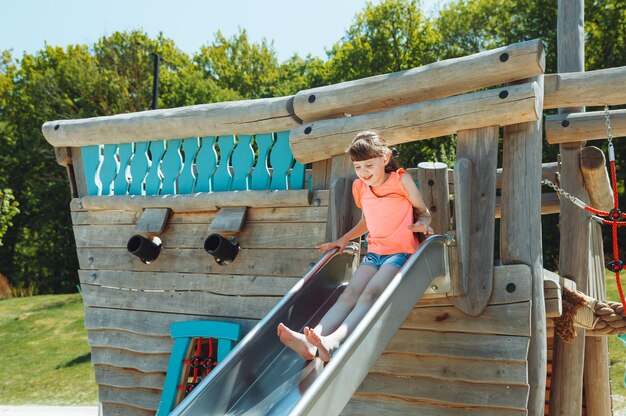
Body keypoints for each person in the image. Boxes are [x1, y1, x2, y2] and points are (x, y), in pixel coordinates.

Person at [277, 130, 434, 362]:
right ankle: (312, 341)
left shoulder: (402, 181)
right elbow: (366, 221)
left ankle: (333, 342)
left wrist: (422, 225)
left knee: (369, 294)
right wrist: (344, 239)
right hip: (374, 254)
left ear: (385, 158)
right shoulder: (360, 188)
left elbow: (424, 213)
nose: (363, 172)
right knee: (348, 294)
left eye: (369, 165)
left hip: (400, 254)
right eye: (358, 167)